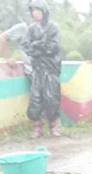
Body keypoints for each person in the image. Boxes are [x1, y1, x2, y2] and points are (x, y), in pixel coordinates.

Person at [17, 0, 62, 139]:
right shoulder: (31, 29)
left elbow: (53, 47)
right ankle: (37, 128)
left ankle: (54, 127)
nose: (35, 13)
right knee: (35, 99)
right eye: (33, 11)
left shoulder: (53, 27)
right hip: (36, 69)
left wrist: (36, 46)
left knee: (51, 98)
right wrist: (39, 45)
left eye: (37, 10)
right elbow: (26, 46)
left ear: (44, 11)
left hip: (51, 68)